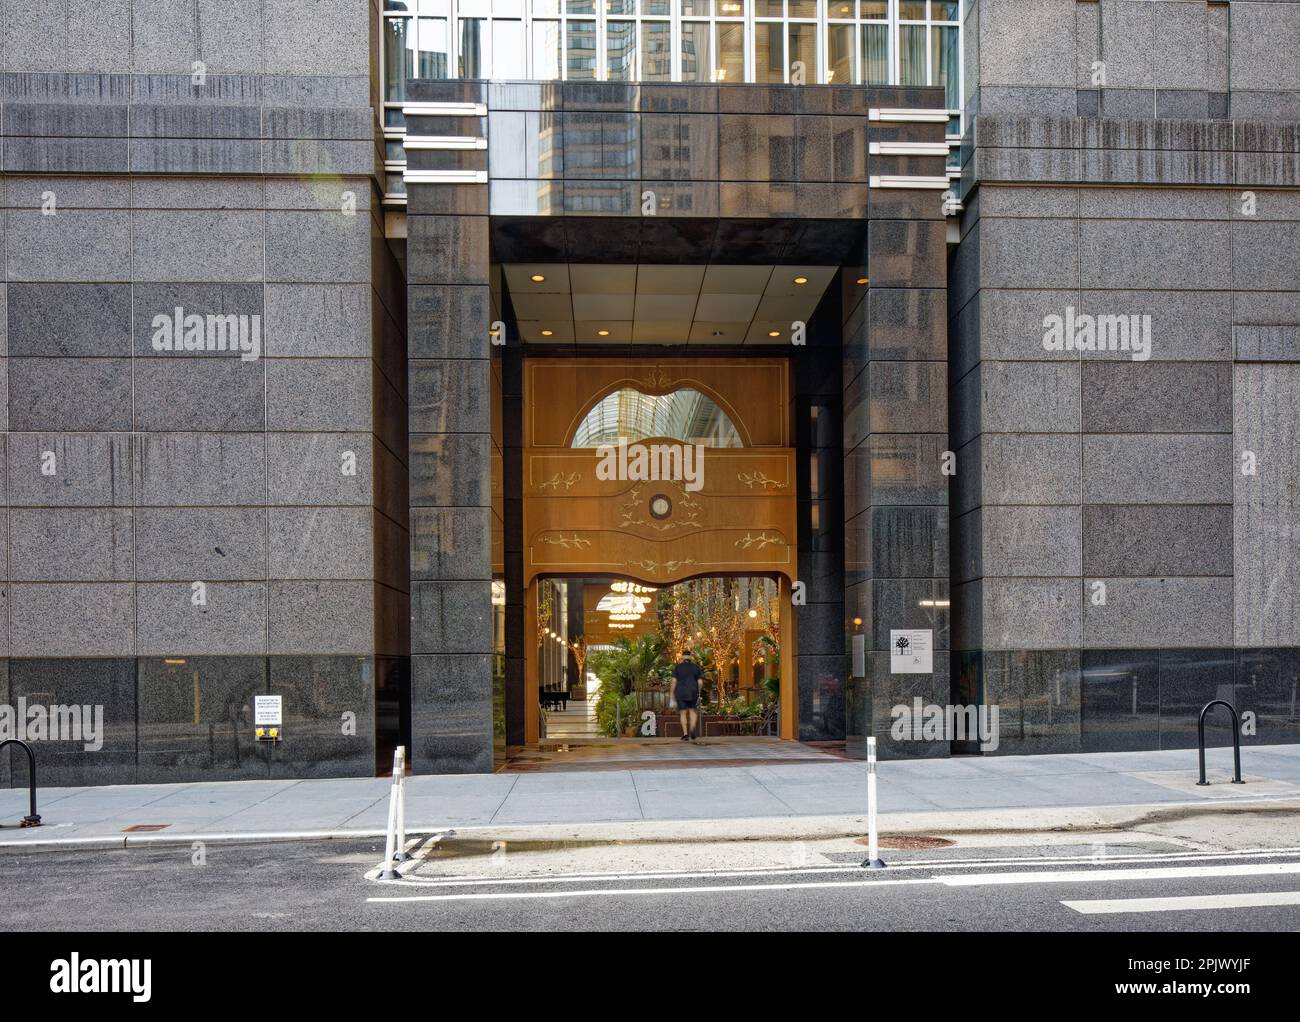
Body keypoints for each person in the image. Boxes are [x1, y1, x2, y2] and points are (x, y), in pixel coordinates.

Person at [672, 650, 704, 741]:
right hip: (693, 692)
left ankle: (685, 734)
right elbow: (700, 682)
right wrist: (699, 691)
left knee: (683, 713)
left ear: (682, 657)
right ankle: (692, 728)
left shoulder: (678, 667)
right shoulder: (696, 667)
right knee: (692, 711)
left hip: (680, 692)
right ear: (690, 657)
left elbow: (674, 681)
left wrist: (672, 693)